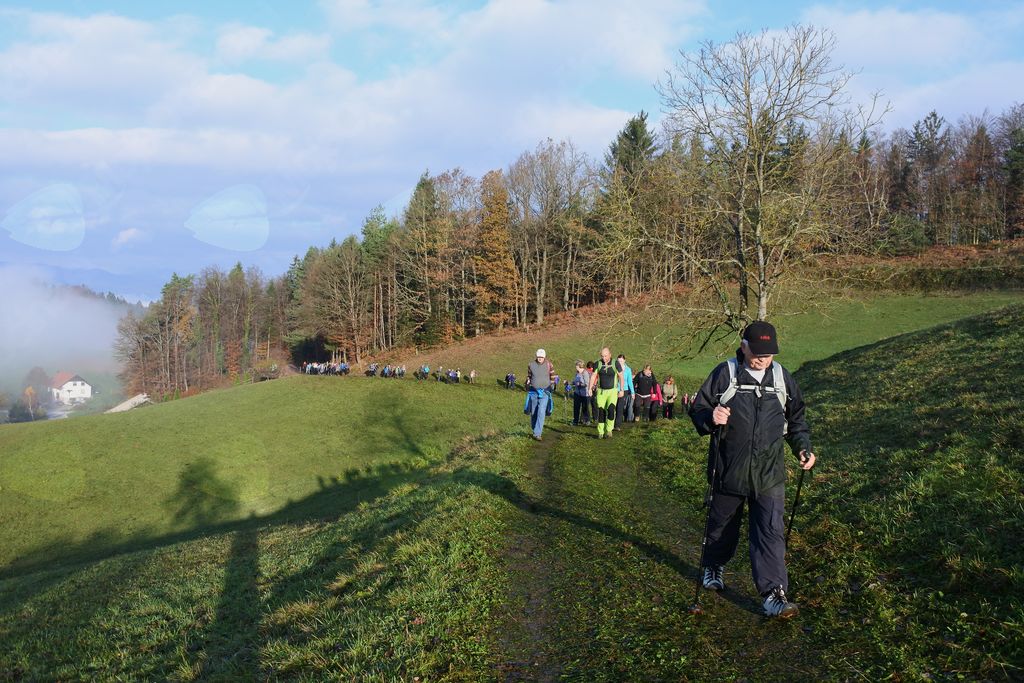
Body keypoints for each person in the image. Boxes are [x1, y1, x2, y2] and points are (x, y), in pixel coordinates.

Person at [689, 321, 817, 618]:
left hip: (769, 474)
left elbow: (796, 420)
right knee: (721, 526)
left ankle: (774, 594)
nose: (762, 359)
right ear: (743, 346)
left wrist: (802, 448)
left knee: (770, 531)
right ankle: (713, 565)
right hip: (728, 469)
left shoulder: (782, 378)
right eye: (757, 353)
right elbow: (698, 409)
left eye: (768, 354)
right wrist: (711, 416)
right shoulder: (726, 373)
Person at [588, 347, 623, 439]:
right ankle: (600, 432)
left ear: (610, 355)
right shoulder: (598, 364)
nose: (604, 358)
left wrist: (621, 390)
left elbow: (621, 376)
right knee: (601, 411)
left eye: (605, 356)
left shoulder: (615, 363)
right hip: (601, 392)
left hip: (612, 391)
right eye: (602, 356)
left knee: (611, 410)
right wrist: (590, 388)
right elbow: (593, 376)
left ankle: (609, 430)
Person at [525, 348, 555, 441]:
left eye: (541, 357)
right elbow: (529, 376)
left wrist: (551, 386)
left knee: (541, 412)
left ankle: (538, 433)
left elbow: (552, 376)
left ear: (544, 357)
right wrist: (528, 381)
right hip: (533, 392)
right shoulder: (531, 365)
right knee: (534, 412)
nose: (540, 358)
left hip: (545, 392)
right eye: (538, 357)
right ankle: (535, 430)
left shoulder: (549, 364)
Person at [615, 354, 634, 429]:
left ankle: (617, 425)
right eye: (618, 361)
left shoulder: (628, 369)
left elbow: (630, 381)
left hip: (624, 390)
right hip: (614, 390)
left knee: (620, 407)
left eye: (621, 361)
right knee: (613, 407)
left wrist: (632, 392)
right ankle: (610, 423)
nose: (619, 362)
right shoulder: (614, 368)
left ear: (624, 361)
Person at [571, 360, 591, 425]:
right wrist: (569, 383)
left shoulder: (585, 373)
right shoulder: (577, 373)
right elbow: (574, 381)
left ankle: (587, 420)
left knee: (585, 408)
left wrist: (580, 384)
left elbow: (587, 384)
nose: (575, 367)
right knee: (576, 407)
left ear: (579, 366)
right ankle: (575, 421)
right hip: (577, 393)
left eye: (576, 365)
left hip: (585, 394)